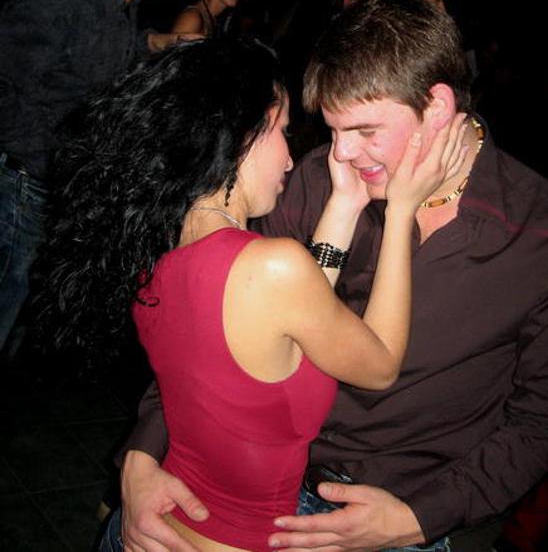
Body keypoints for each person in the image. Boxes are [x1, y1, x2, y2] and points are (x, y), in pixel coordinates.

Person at [115, 0, 548, 552]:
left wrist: (419, 518)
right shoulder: (315, 182)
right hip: (245, 488)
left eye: (366, 131)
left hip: (390, 520)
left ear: (437, 107)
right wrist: (143, 454)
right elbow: (212, 327)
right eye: (333, 130)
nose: (343, 154)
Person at [33, 36, 463, 552]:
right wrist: (401, 210)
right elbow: (382, 364)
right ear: (243, 137)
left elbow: (294, 320)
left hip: (154, 529)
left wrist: (345, 205)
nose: (291, 159)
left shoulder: (155, 252)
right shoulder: (270, 267)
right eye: (283, 132)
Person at [0, 0, 205, 356]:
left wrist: (156, 42)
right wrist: (64, 157)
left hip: (46, 189)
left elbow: (88, 56)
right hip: (20, 189)